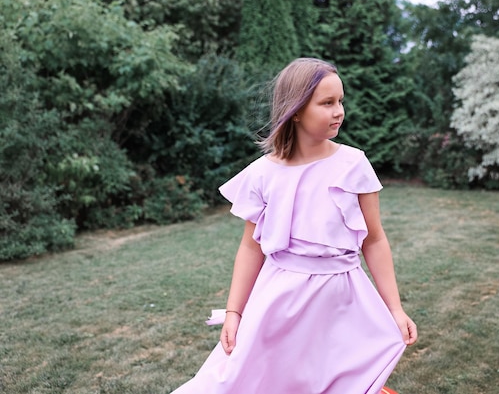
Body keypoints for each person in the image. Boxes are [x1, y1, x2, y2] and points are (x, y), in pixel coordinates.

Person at [171, 57, 418, 394]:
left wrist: (394, 308)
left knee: (335, 380)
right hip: (279, 300)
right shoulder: (263, 173)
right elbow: (250, 247)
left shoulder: (354, 164)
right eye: (327, 103)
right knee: (253, 379)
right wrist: (234, 311)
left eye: (340, 101)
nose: (339, 111)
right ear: (297, 110)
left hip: (342, 299)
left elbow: (373, 240)